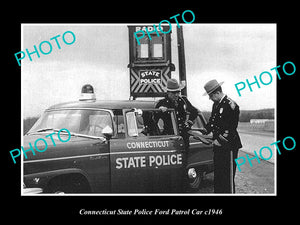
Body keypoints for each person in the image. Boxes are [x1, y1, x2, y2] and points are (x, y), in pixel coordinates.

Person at [200, 79, 242, 193]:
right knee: (218, 175)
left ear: (217, 93)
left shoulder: (231, 105)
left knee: (227, 177)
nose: (210, 98)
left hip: (229, 146)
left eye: (211, 96)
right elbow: (212, 122)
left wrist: (219, 140)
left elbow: (231, 128)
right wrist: (204, 131)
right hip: (218, 146)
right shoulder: (216, 104)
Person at [155, 78, 198, 148]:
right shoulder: (162, 103)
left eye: (178, 92)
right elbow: (153, 120)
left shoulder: (183, 101)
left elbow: (194, 112)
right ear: (168, 93)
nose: (176, 95)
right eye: (174, 93)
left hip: (184, 136)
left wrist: (188, 122)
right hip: (169, 137)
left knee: (185, 156)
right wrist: (159, 111)